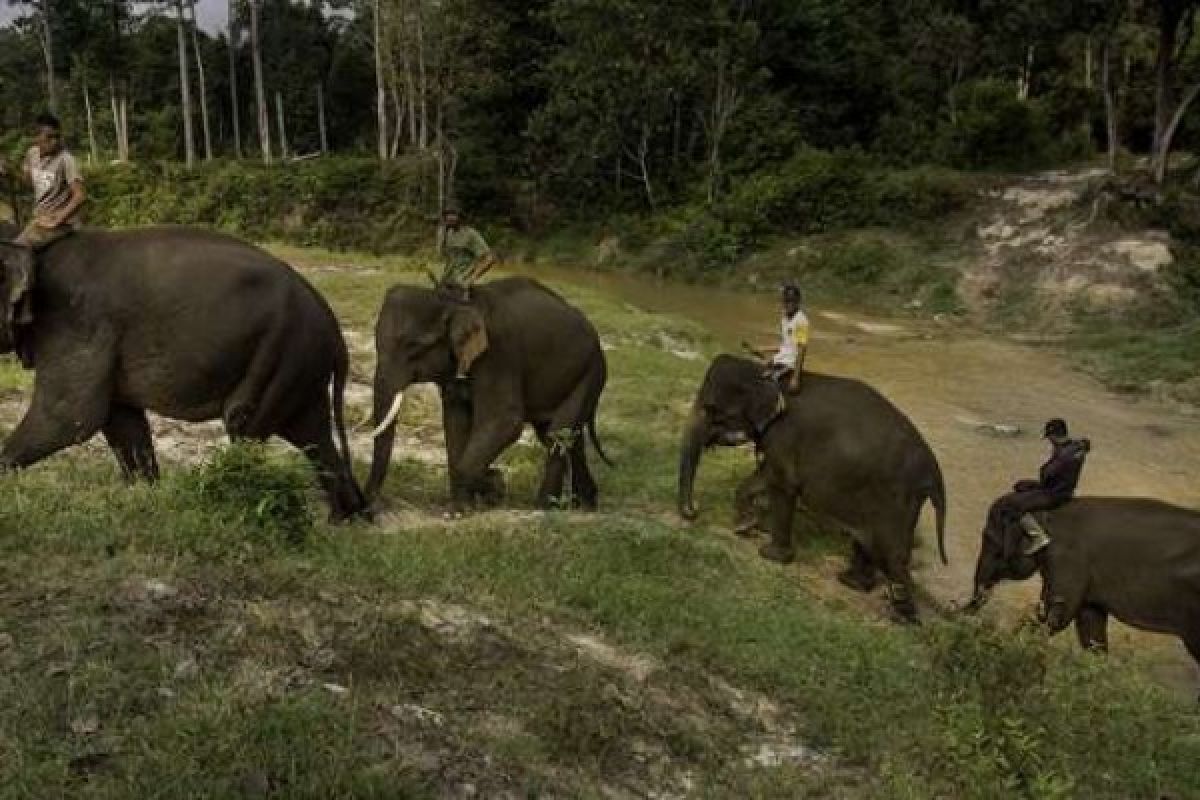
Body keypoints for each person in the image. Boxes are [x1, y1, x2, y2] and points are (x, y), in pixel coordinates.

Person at [992, 418, 1091, 555]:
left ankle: (1037, 536)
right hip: (1061, 487)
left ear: (1054, 435)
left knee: (1015, 505)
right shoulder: (1075, 448)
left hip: (1055, 493)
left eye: (1050, 437)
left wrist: (1043, 475)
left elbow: (1048, 473)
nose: (1049, 441)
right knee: (1021, 485)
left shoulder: (1064, 454)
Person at [0, 112, 86, 250]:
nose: (55, 141)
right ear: (37, 137)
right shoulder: (32, 154)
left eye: (57, 137)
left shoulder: (66, 160)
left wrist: (59, 218)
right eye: (50, 137)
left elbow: (79, 196)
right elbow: (28, 182)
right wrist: (10, 171)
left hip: (61, 223)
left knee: (16, 250)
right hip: (40, 219)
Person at [744, 283, 809, 393]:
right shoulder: (785, 317)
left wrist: (795, 378)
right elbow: (786, 345)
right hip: (780, 359)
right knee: (749, 363)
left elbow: (802, 349)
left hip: (788, 365)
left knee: (762, 384)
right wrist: (762, 348)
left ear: (798, 302)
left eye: (791, 301)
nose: (788, 304)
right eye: (786, 301)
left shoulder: (801, 321)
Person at [435, 207, 495, 298]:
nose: (450, 217)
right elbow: (443, 256)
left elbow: (489, 258)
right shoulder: (448, 233)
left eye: (453, 214)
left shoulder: (470, 234)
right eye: (447, 214)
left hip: (462, 286)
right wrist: (441, 237)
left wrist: (471, 279)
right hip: (447, 283)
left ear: (460, 216)